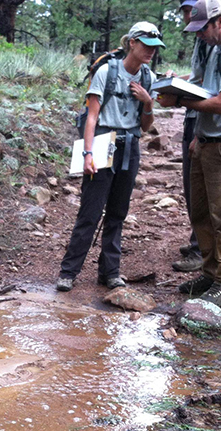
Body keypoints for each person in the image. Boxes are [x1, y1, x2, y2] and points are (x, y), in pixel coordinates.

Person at [156, 0, 221, 306]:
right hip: (206, 140)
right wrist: (198, 135)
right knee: (200, 211)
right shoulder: (215, 50)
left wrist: (180, 103)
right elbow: (206, 91)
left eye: (203, 29)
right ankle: (211, 272)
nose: (199, 35)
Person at [56, 22, 163, 292]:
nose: (151, 52)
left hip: (130, 146)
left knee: (118, 212)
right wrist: (87, 153)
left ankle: (110, 272)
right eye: (147, 46)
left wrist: (148, 102)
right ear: (132, 43)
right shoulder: (106, 71)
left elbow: (145, 127)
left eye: (155, 48)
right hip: (103, 143)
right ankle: (68, 272)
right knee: (90, 212)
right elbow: (92, 117)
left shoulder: (148, 78)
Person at [170, 0, 209, 274]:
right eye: (184, 12)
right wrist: (177, 78)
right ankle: (198, 242)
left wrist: (179, 93)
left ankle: (200, 250)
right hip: (194, 120)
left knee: (197, 187)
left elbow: (209, 84)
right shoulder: (200, 40)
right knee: (190, 185)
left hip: (202, 120)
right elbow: (198, 76)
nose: (186, 17)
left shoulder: (211, 42)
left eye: (190, 12)